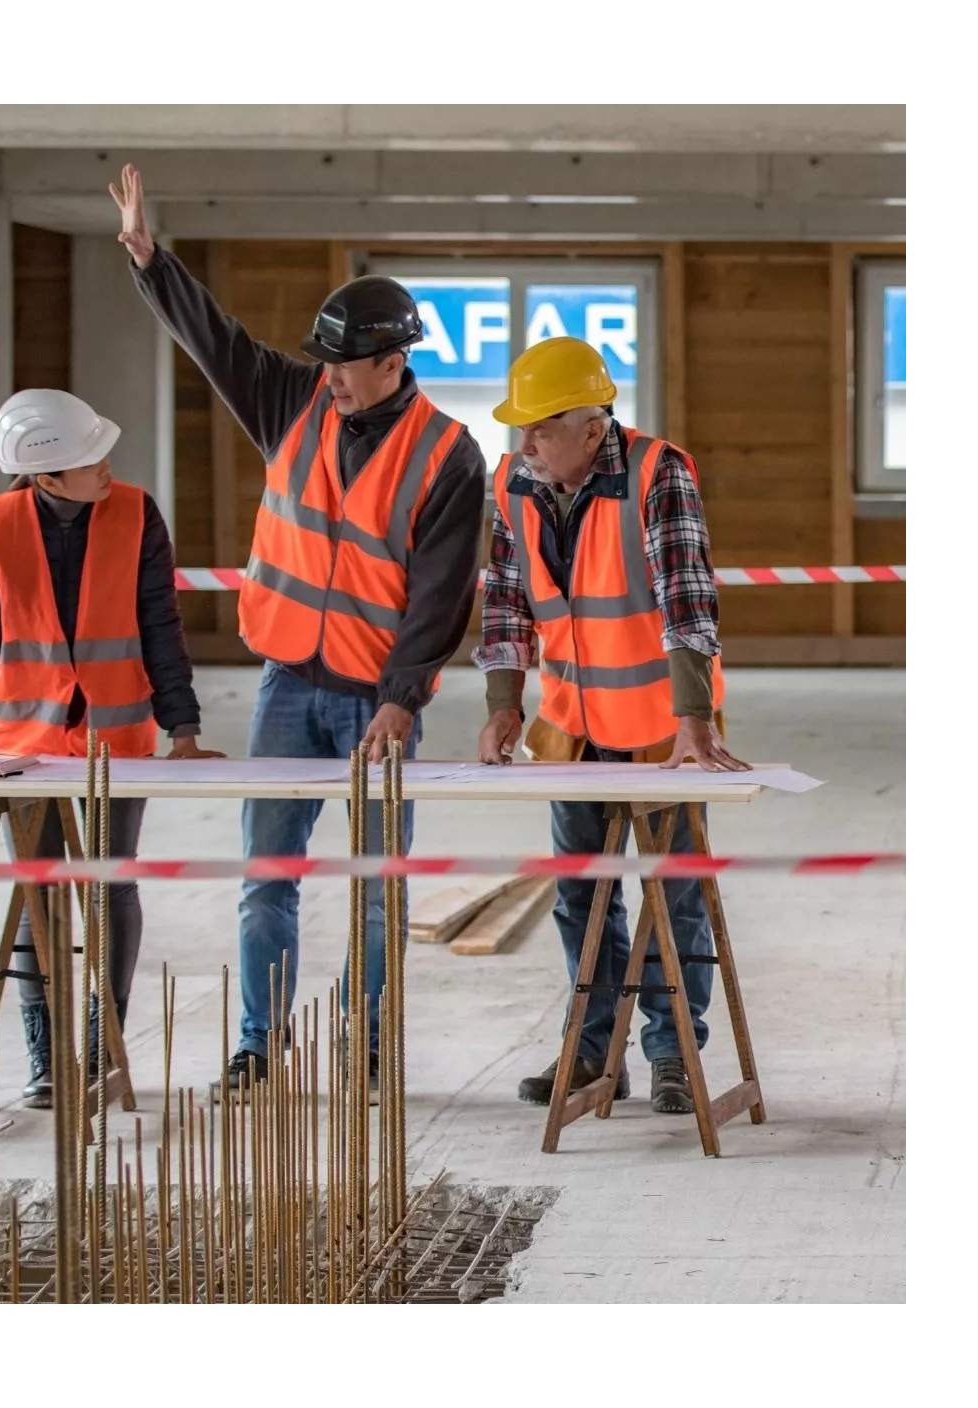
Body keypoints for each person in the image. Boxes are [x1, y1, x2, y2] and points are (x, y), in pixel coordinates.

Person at [109, 163, 488, 1101]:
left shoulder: (449, 455)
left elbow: (441, 597)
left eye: (344, 364)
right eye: (322, 361)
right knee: (265, 876)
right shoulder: (294, 406)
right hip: (286, 685)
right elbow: (218, 344)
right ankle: (259, 1045)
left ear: (393, 362)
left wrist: (404, 701)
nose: (328, 377)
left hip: (374, 703)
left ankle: (365, 1046)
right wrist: (153, 264)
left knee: (372, 885)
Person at [473, 336, 750, 1115]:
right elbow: (504, 599)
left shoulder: (658, 472)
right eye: (520, 428)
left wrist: (694, 717)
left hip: (664, 728)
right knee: (580, 895)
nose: (525, 443)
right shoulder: (513, 484)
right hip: (571, 724)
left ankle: (672, 1051)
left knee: (676, 895)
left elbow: (686, 595)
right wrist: (503, 701)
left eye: (541, 427)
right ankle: (593, 1050)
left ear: (593, 429)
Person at [0, 389, 222, 1108]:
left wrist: (183, 729)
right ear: (45, 477)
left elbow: (161, 623)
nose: (107, 466)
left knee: (109, 886)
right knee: (39, 895)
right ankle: (44, 1053)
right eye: (89, 458)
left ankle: (102, 1046)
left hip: (116, 741)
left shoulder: (135, 512)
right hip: (24, 746)